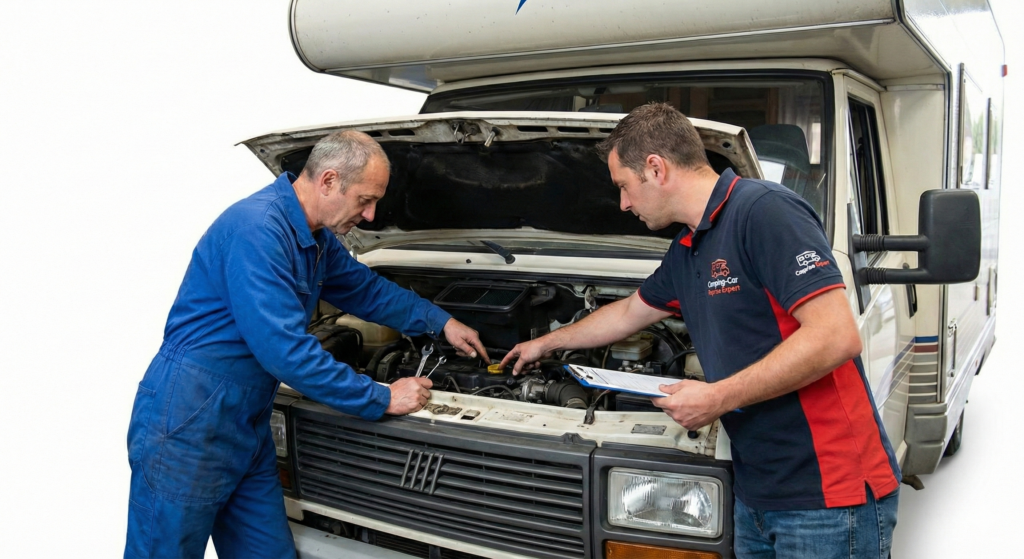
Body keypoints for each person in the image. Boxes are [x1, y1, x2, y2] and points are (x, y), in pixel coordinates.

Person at [501, 103, 900, 558]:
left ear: (656, 168)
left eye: (624, 187)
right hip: (756, 490)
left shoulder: (764, 212)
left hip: (828, 493)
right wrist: (547, 342)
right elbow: (631, 311)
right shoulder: (690, 246)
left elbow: (836, 336)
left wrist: (716, 397)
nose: (623, 203)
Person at [124, 130, 489, 559]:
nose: (371, 216)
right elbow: (285, 351)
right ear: (329, 181)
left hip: (248, 421)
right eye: (365, 200)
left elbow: (366, 290)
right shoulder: (258, 230)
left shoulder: (316, 238)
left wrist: (440, 321)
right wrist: (381, 396)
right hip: (191, 417)